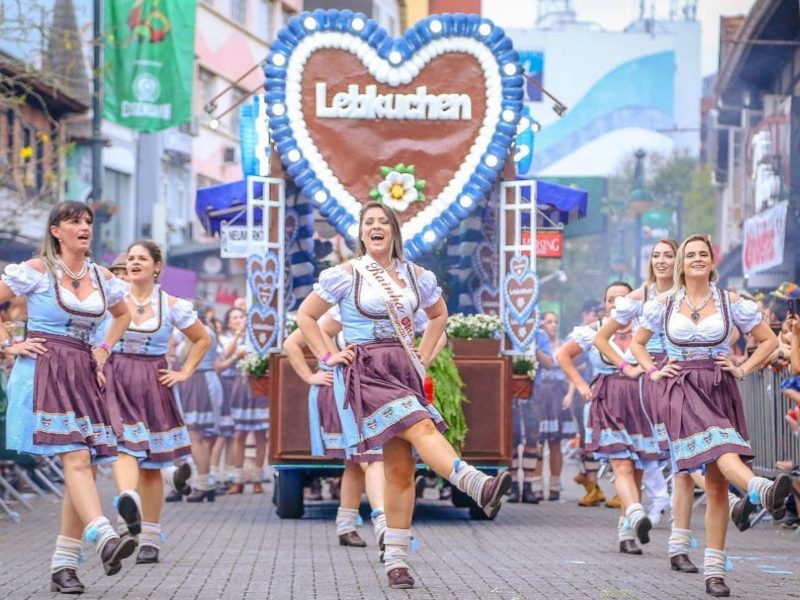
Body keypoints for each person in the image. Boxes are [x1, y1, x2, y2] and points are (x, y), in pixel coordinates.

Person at [297, 201, 510, 590]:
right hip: (367, 372)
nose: (376, 227)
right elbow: (306, 317)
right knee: (423, 426)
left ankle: (396, 559)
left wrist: (423, 358)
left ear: (394, 231)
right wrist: (328, 356)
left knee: (400, 468)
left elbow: (439, 316)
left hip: (403, 368)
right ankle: (475, 483)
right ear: (360, 233)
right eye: (368, 223)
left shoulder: (417, 276)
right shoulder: (346, 275)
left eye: (383, 222)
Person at [631, 234, 789, 598]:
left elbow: (769, 341)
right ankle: (761, 490)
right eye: (691, 255)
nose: (697, 259)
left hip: (719, 385)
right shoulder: (664, 303)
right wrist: (653, 371)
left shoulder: (731, 301)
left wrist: (743, 367)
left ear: (712, 261)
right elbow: (638, 343)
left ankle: (714, 572)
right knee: (722, 448)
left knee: (717, 484)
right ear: (682, 263)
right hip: (682, 388)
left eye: (704, 254)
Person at [0, 201, 135, 593]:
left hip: (83, 370)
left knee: (87, 467)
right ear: (56, 230)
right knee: (76, 457)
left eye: (88, 221)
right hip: (45, 369)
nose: (84, 227)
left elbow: (122, 315)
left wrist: (104, 348)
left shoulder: (103, 276)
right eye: (75, 221)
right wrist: (9, 345)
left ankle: (64, 565)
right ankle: (105, 536)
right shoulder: (38, 270)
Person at [106, 241, 210, 564]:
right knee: (123, 446)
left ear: (157, 267)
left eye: (142, 259)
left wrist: (184, 372)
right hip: (117, 378)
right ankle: (127, 501)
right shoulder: (111, 298)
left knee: (151, 464)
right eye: (131, 258)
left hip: (153, 380)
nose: (134, 263)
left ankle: (150, 537)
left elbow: (203, 338)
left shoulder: (172, 304)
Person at [558, 281, 662, 555]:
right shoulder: (594, 330)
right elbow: (563, 355)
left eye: (621, 298)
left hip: (640, 400)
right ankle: (638, 514)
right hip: (607, 400)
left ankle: (626, 530)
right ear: (604, 303)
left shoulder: (644, 327)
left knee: (637, 469)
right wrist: (581, 385)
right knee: (622, 466)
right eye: (610, 299)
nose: (615, 303)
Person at [284, 308, 387, 553]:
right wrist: (312, 374)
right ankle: (386, 524)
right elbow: (291, 343)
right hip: (339, 390)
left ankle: (346, 525)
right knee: (370, 457)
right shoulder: (340, 311)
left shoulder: (379, 303)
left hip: (363, 390)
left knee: (357, 461)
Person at [219, 307, 269, 494]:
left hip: (258, 386)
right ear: (229, 322)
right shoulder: (229, 337)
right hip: (239, 387)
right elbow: (226, 353)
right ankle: (237, 479)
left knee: (260, 435)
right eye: (235, 318)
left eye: (241, 317)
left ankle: (257, 479)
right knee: (239, 434)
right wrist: (239, 334)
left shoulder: (258, 336)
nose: (239, 320)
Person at [177, 306, 223, 502]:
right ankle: (202, 481)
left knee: (195, 435)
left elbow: (186, 356)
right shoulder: (200, 331)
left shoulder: (201, 331)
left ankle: (203, 483)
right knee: (197, 436)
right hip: (197, 381)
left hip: (199, 382)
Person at [530, 312, 576, 502]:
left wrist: (570, 393)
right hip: (541, 395)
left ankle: (555, 487)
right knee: (538, 442)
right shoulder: (536, 343)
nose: (553, 325)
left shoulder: (564, 343)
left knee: (556, 443)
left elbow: (571, 370)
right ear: (541, 325)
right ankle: (536, 485)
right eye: (549, 322)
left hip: (559, 394)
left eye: (555, 322)